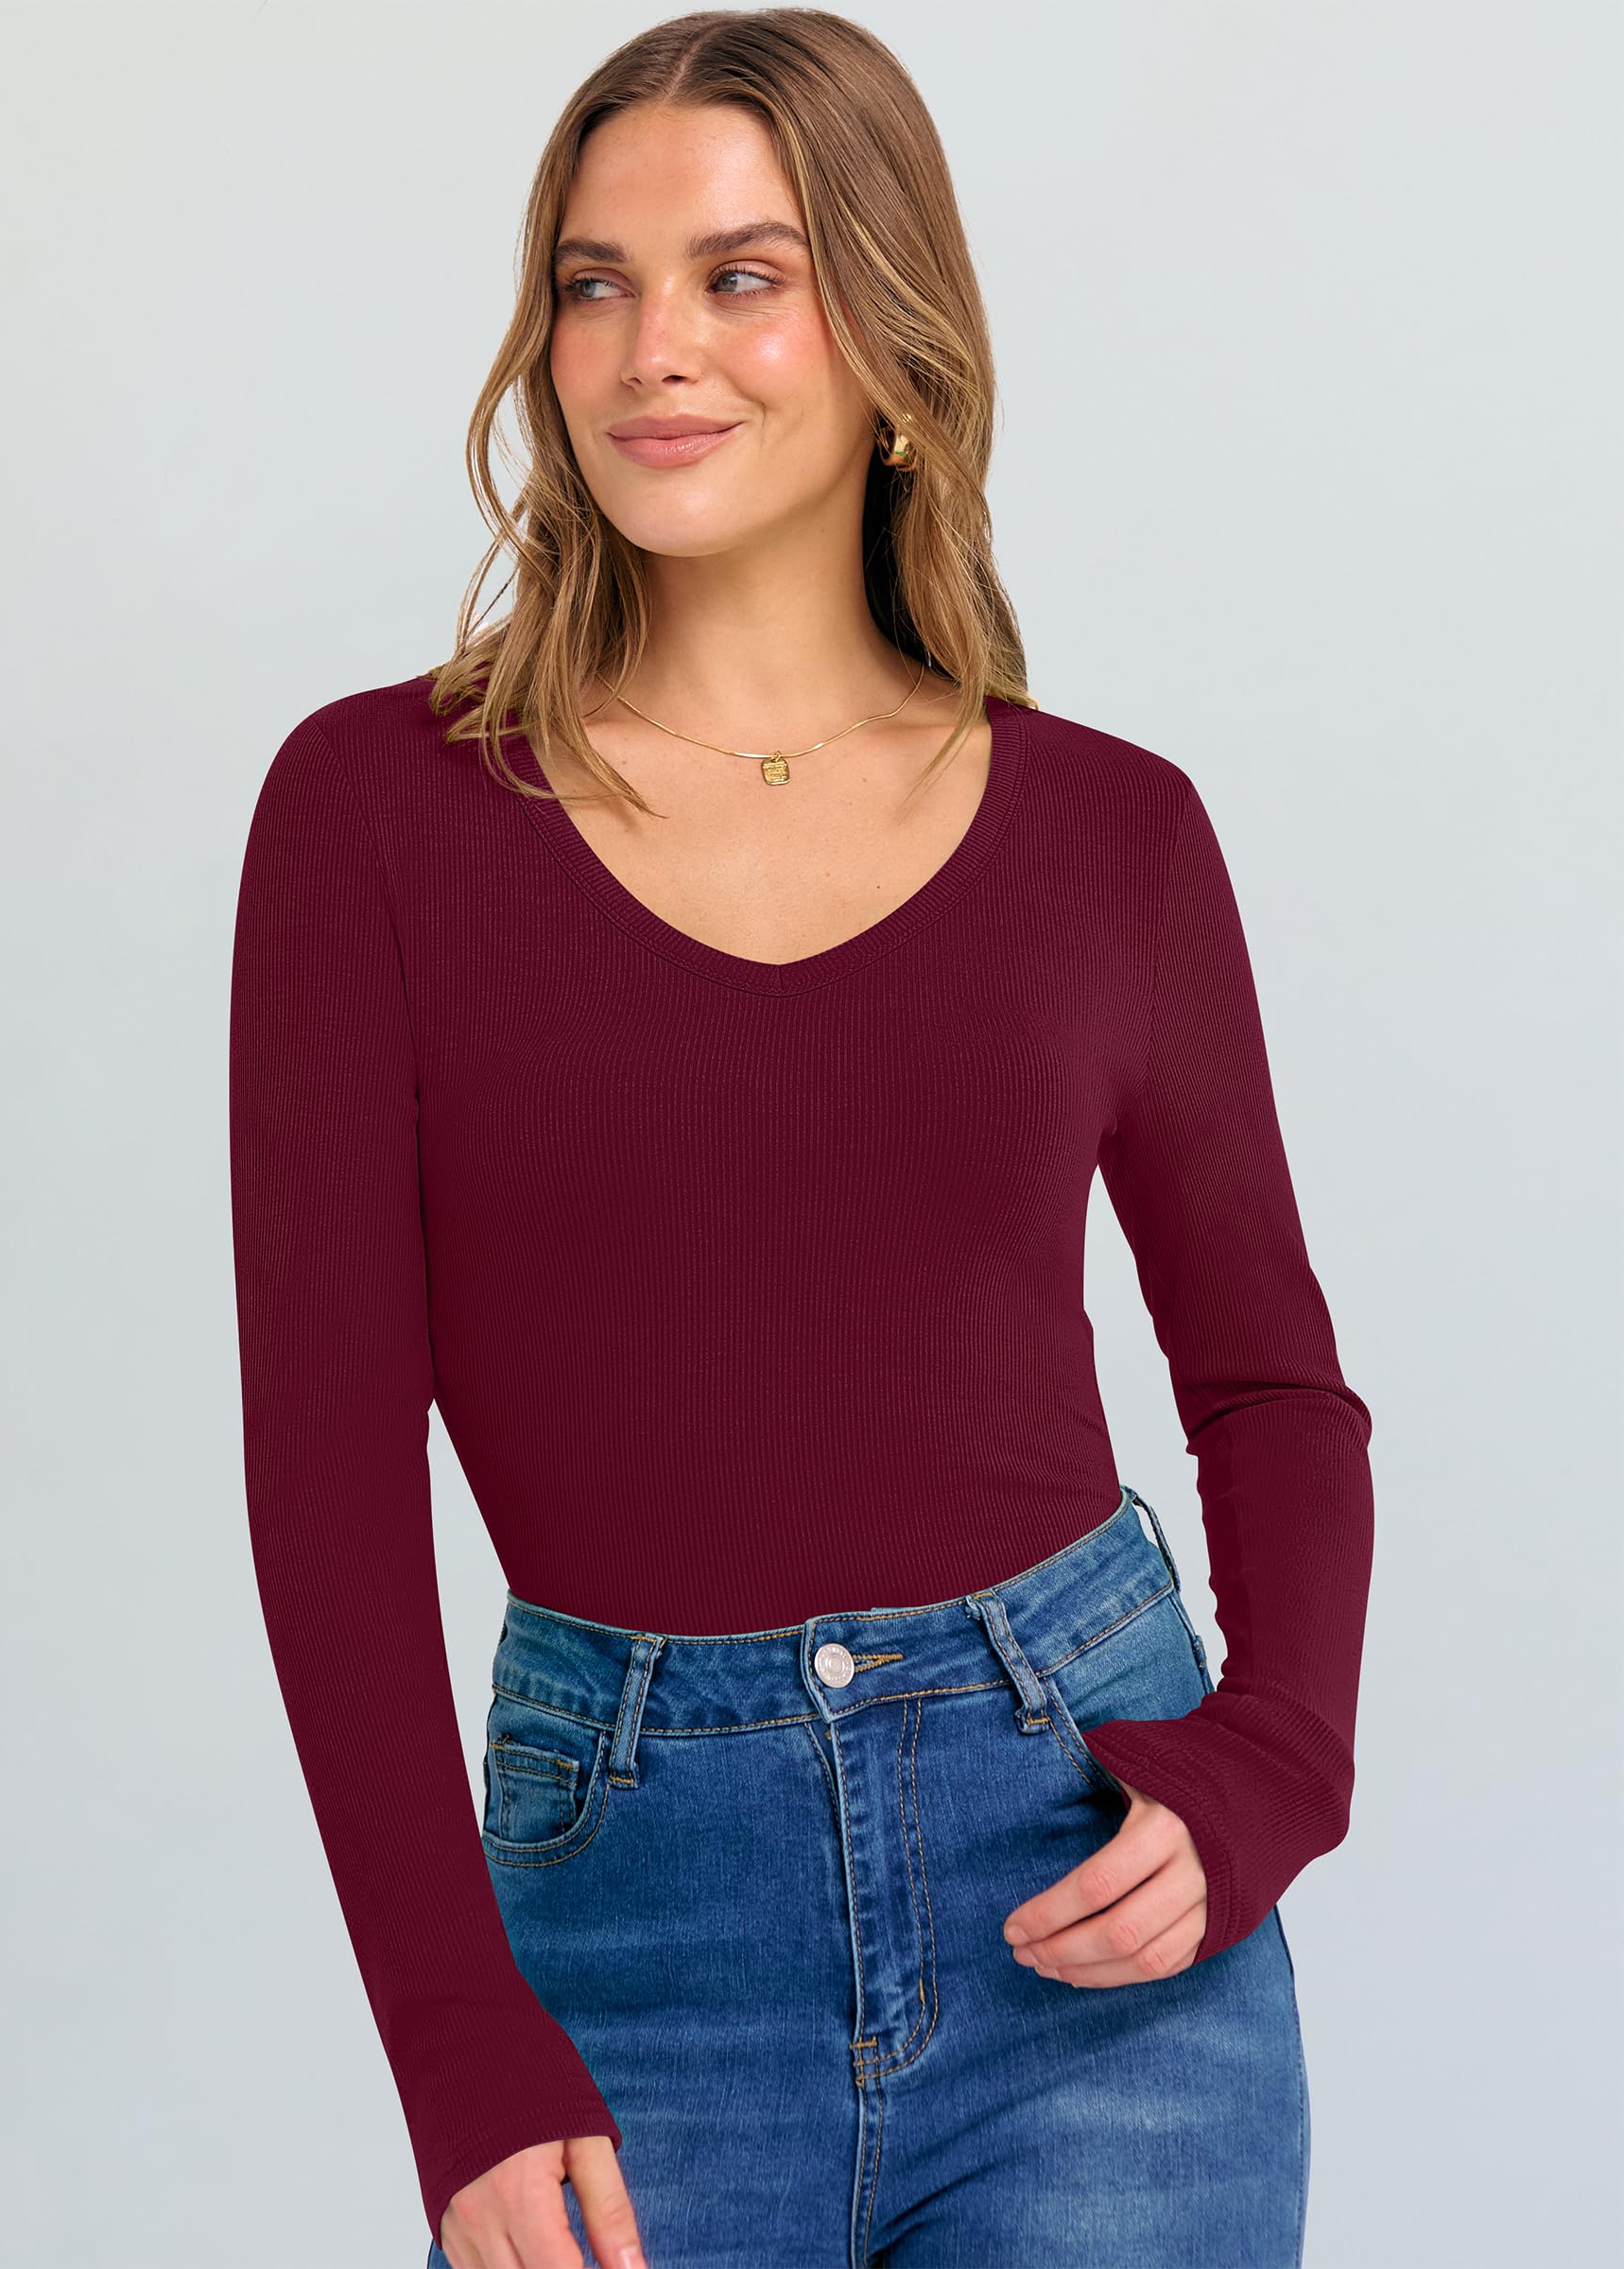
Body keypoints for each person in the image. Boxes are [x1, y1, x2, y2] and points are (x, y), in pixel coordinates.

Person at [228, 11, 1374, 2267]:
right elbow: (327, 1482)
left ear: (894, 336)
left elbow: (1271, 1389)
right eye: (594, 283)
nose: (651, 347)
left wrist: (1275, 1772)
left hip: (1088, 1898)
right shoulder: (374, 815)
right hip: (626, 1931)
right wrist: (454, 2041)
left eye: (741, 276)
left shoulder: (1114, 835)